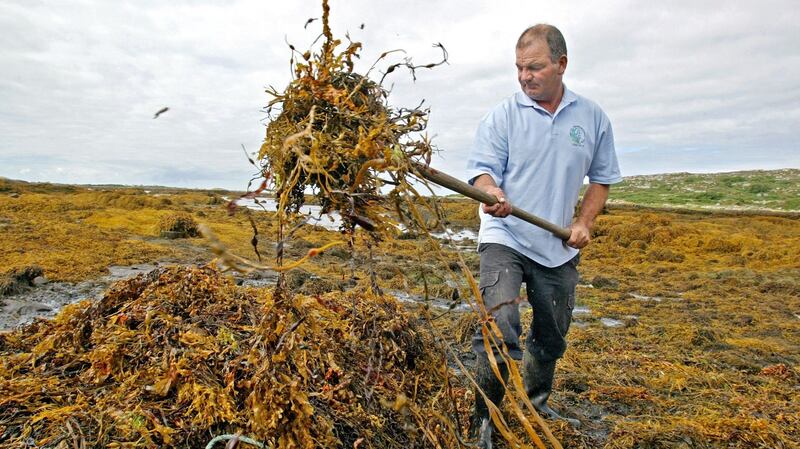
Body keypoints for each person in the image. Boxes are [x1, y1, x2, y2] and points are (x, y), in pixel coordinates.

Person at [465, 24, 622, 447]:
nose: (524, 76)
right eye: (519, 68)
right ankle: (486, 419)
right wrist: (491, 191)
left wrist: (584, 223)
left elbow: (602, 180)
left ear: (561, 65)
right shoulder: (503, 115)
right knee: (500, 323)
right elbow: (483, 171)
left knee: (552, 334)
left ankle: (536, 400)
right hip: (505, 236)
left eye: (534, 67)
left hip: (557, 245)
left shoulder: (591, 118)